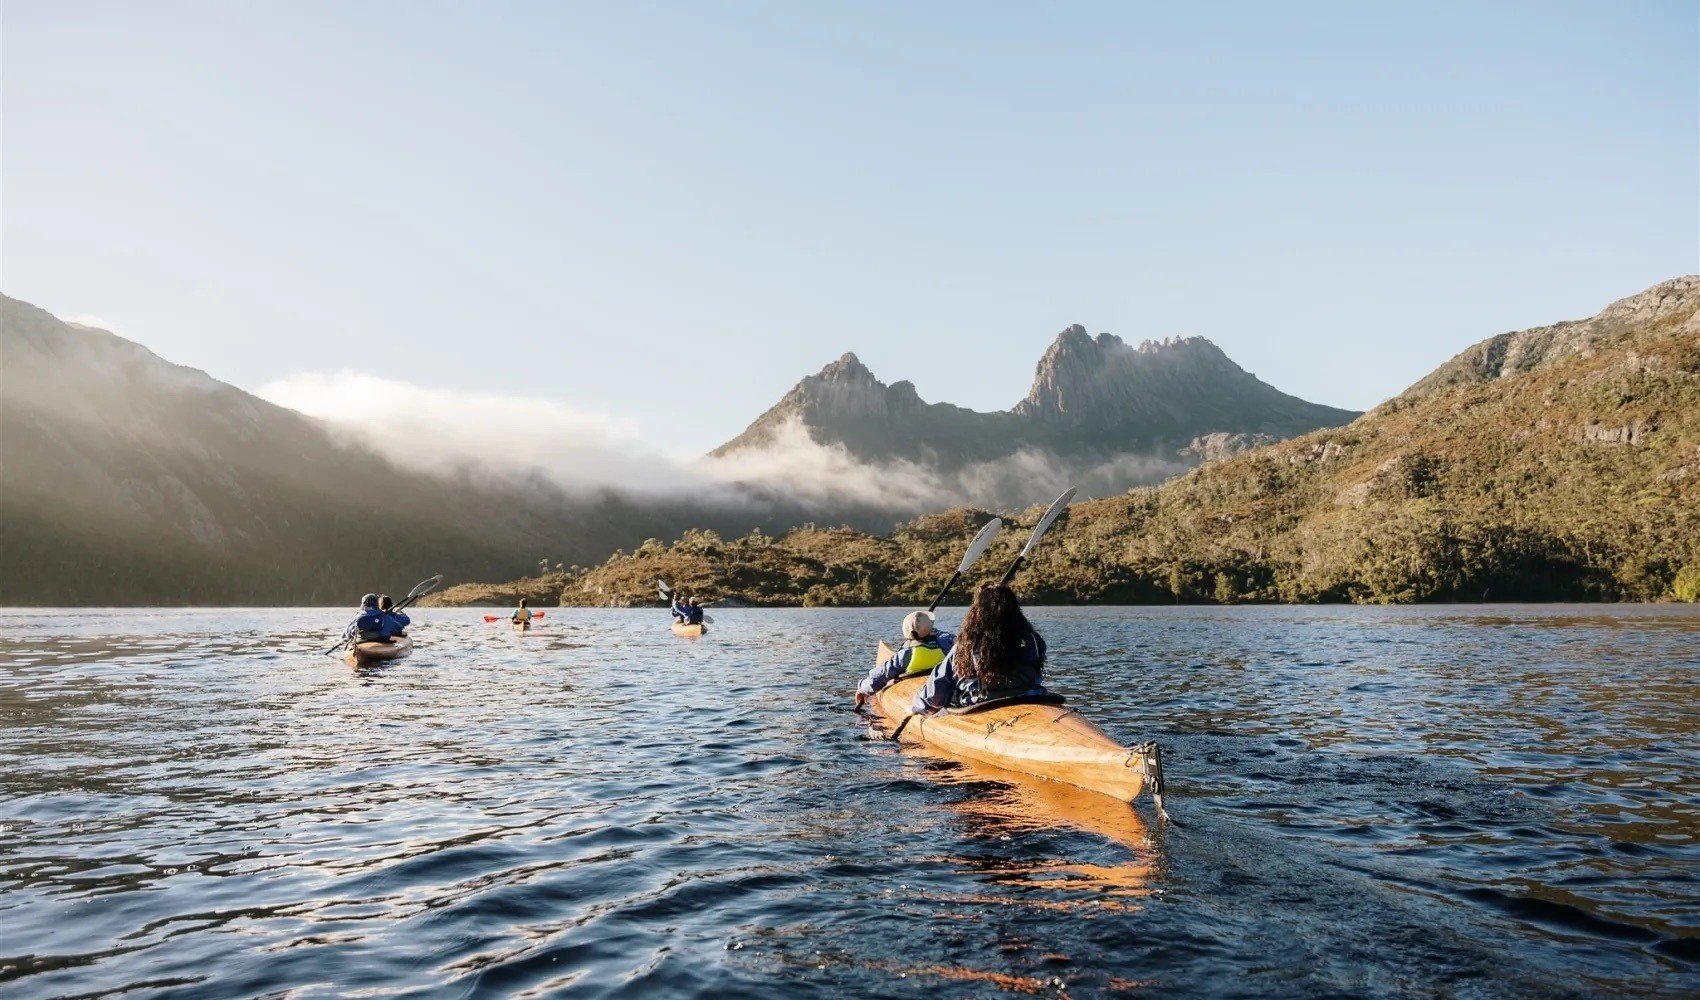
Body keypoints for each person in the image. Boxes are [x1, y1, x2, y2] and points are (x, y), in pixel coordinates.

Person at [910, 583, 1046, 714]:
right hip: (1030, 698)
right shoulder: (1034, 641)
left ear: (977, 612)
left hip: (980, 704)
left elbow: (935, 695)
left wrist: (916, 705)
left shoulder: (966, 646)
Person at [854, 609, 953, 708]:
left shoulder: (905, 653)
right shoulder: (945, 643)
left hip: (914, 685)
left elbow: (883, 674)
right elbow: (948, 637)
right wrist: (931, 630)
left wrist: (863, 688)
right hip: (939, 685)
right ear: (931, 628)